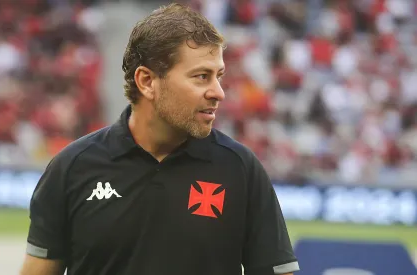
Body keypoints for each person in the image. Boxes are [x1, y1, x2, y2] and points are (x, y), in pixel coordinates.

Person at [20, 3, 299, 275]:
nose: (218, 92)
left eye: (219, 76)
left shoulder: (240, 169)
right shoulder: (72, 168)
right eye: (201, 76)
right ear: (146, 81)